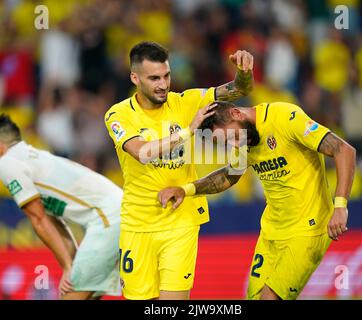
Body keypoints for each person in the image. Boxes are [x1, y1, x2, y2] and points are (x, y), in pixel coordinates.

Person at [158, 100, 356, 300]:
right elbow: (231, 175)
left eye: (232, 137)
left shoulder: (284, 118)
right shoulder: (243, 137)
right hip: (272, 231)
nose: (235, 145)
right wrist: (187, 189)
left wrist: (340, 206)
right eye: (228, 143)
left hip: (308, 228)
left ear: (236, 113)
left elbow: (344, 150)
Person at [104, 41, 254, 300]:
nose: (163, 84)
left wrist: (243, 72)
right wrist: (188, 131)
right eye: (154, 78)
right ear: (135, 78)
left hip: (180, 222)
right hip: (137, 225)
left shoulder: (186, 101)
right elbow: (142, 153)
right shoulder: (118, 115)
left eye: (166, 76)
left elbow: (239, 89)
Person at [0, 114, 122, 300]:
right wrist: (70, 263)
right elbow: (54, 222)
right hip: (117, 213)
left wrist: (68, 267)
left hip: (109, 217)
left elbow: (38, 219)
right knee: (87, 296)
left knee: (72, 294)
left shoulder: (7, 163)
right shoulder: (30, 159)